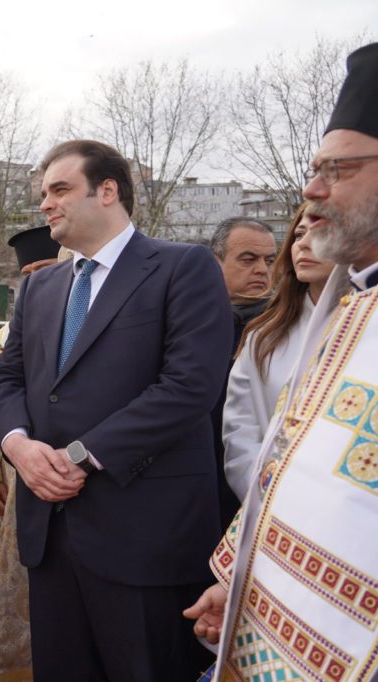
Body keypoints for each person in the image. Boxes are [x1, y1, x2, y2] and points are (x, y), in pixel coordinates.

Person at [0, 139, 232, 681]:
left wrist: (80, 456)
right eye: (42, 194)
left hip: (144, 535)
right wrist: (19, 448)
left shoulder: (181, 267)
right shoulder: (40, 288)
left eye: (59, 190)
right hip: (51, 538)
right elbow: (8, 380)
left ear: (107, 190)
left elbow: (189, 386)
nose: (46, 204)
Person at [186, 42, 378, 680]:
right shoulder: (352, 309)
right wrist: (245, 583)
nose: (312, 189)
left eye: (338, 170)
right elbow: (288, 463)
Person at [0, 224, 61, 681]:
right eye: (26, 272)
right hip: (16, 488)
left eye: (43, 268)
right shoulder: (8, 332)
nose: (34, 279)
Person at [222, 204, 335, 499]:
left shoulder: (368, 328)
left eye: (321, 231)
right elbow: (240, 434)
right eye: (298, 234)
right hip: (272, 505)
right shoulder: (263, 335)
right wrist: (267, 497)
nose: (305, 244)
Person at [209, 216, 279, 520]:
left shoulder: (284, 328)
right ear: (216, 262)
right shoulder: (190, 325)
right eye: (248, 259)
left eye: (270, 260)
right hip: (200, 485)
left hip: (262, 490)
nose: (262, 270)